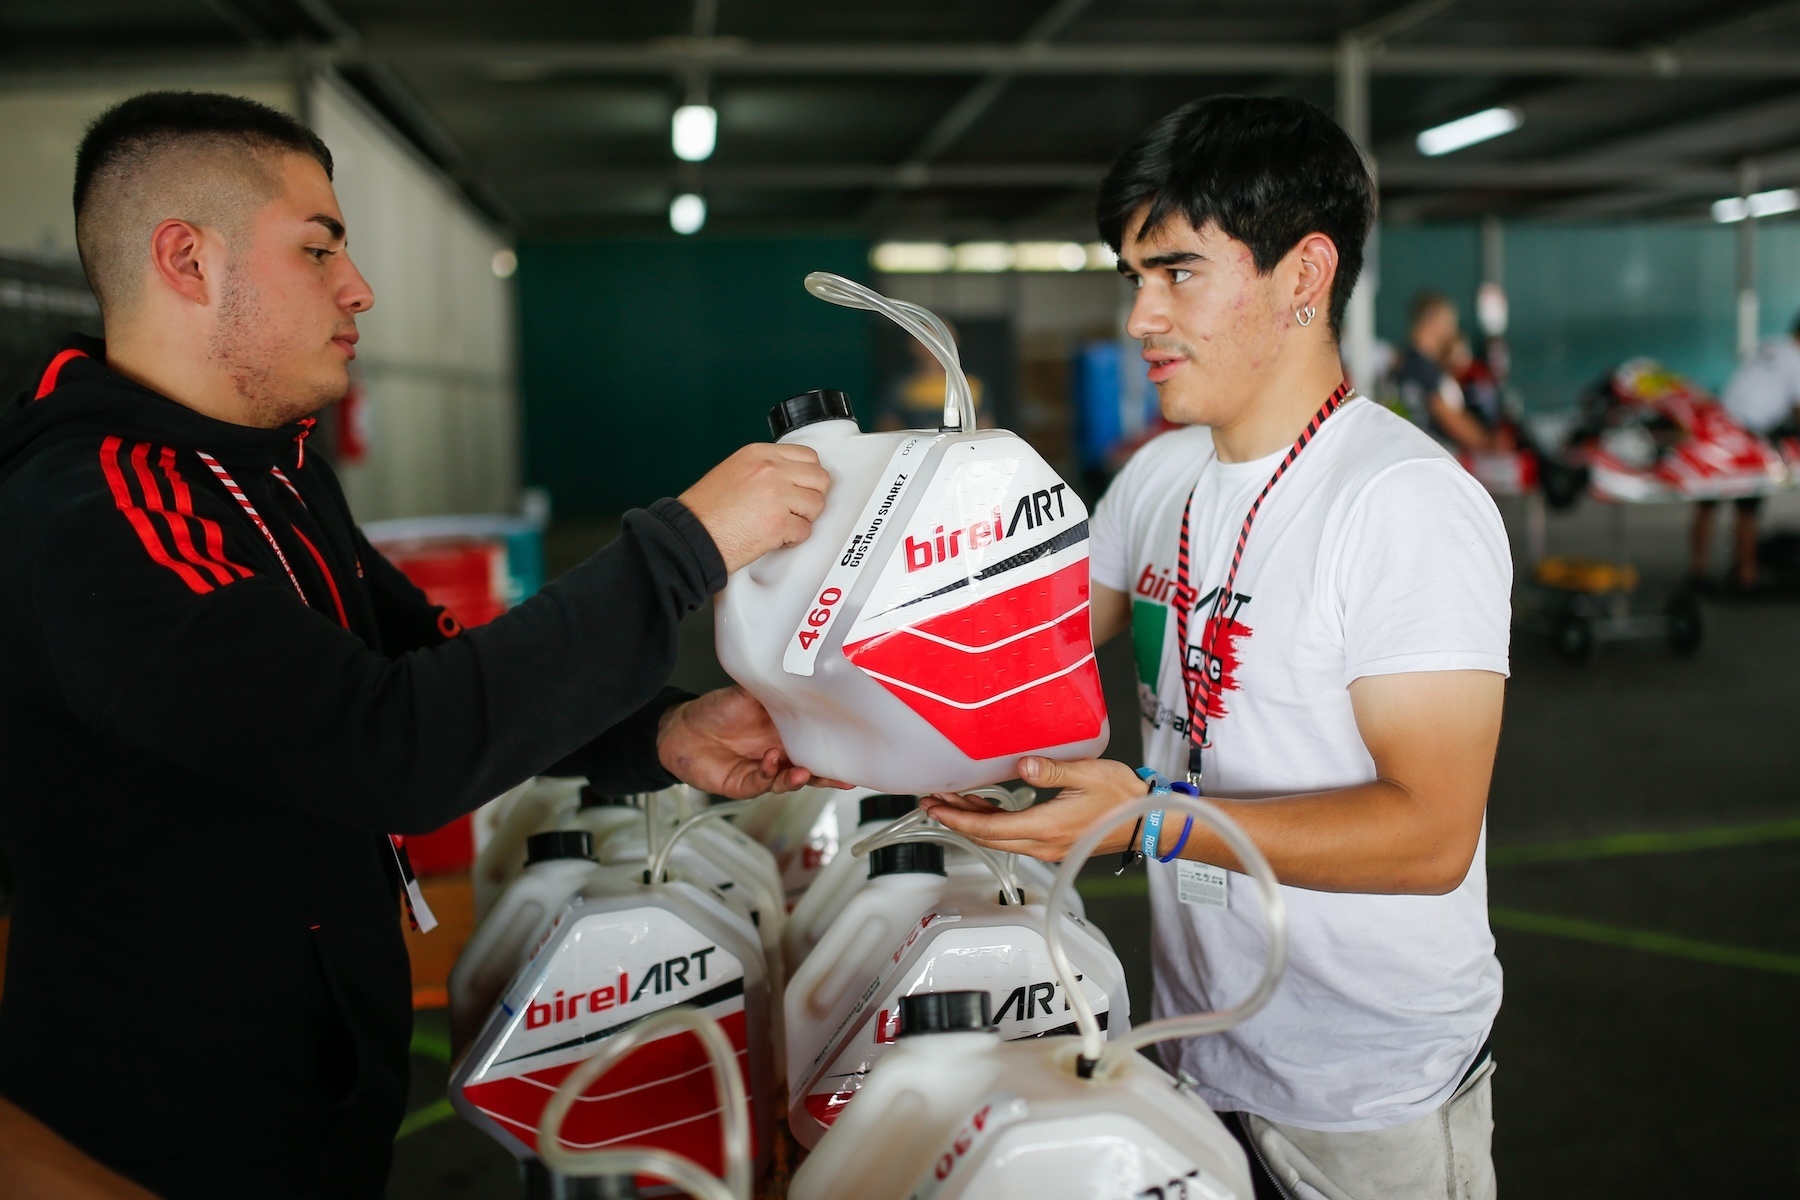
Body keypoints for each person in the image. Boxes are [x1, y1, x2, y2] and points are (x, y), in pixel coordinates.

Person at [0, 92, 834, 1199]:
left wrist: (665, 736)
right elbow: (386, 745)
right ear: (187, 260)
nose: (359, 289)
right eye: (318, 249)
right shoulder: (107, 513)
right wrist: (679, 549)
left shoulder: (264, 468)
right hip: (166, 1140)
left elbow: (428, 664)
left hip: (307, 1097)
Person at [923, 95, 1510, 1200]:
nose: (1139, 317)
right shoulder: (1158, 479)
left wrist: (1146, 815)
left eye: (1176, 273)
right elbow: (1019, 658)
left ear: (1304, 275)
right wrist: (828, 695)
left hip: (1369, 1090)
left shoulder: (1402, 502)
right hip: (1193, 1052)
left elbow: (1431, 834)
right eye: (1131, 275)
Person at [1690, 315, 1800, 589]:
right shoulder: (1796, 360)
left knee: (1707, 501)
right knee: (1747, 506)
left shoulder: (1770, 346)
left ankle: (1698, 569)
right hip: (1747, 435)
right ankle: (1745, 575)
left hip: (1718, 424)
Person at [1396, 290, 1498, 454]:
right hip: (1431, 457)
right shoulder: (1422, 368)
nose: (1452, 330)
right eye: (1448, 322)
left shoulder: (1407, 361)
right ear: (1432, 321)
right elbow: (1452, 421)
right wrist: (1489, 443)